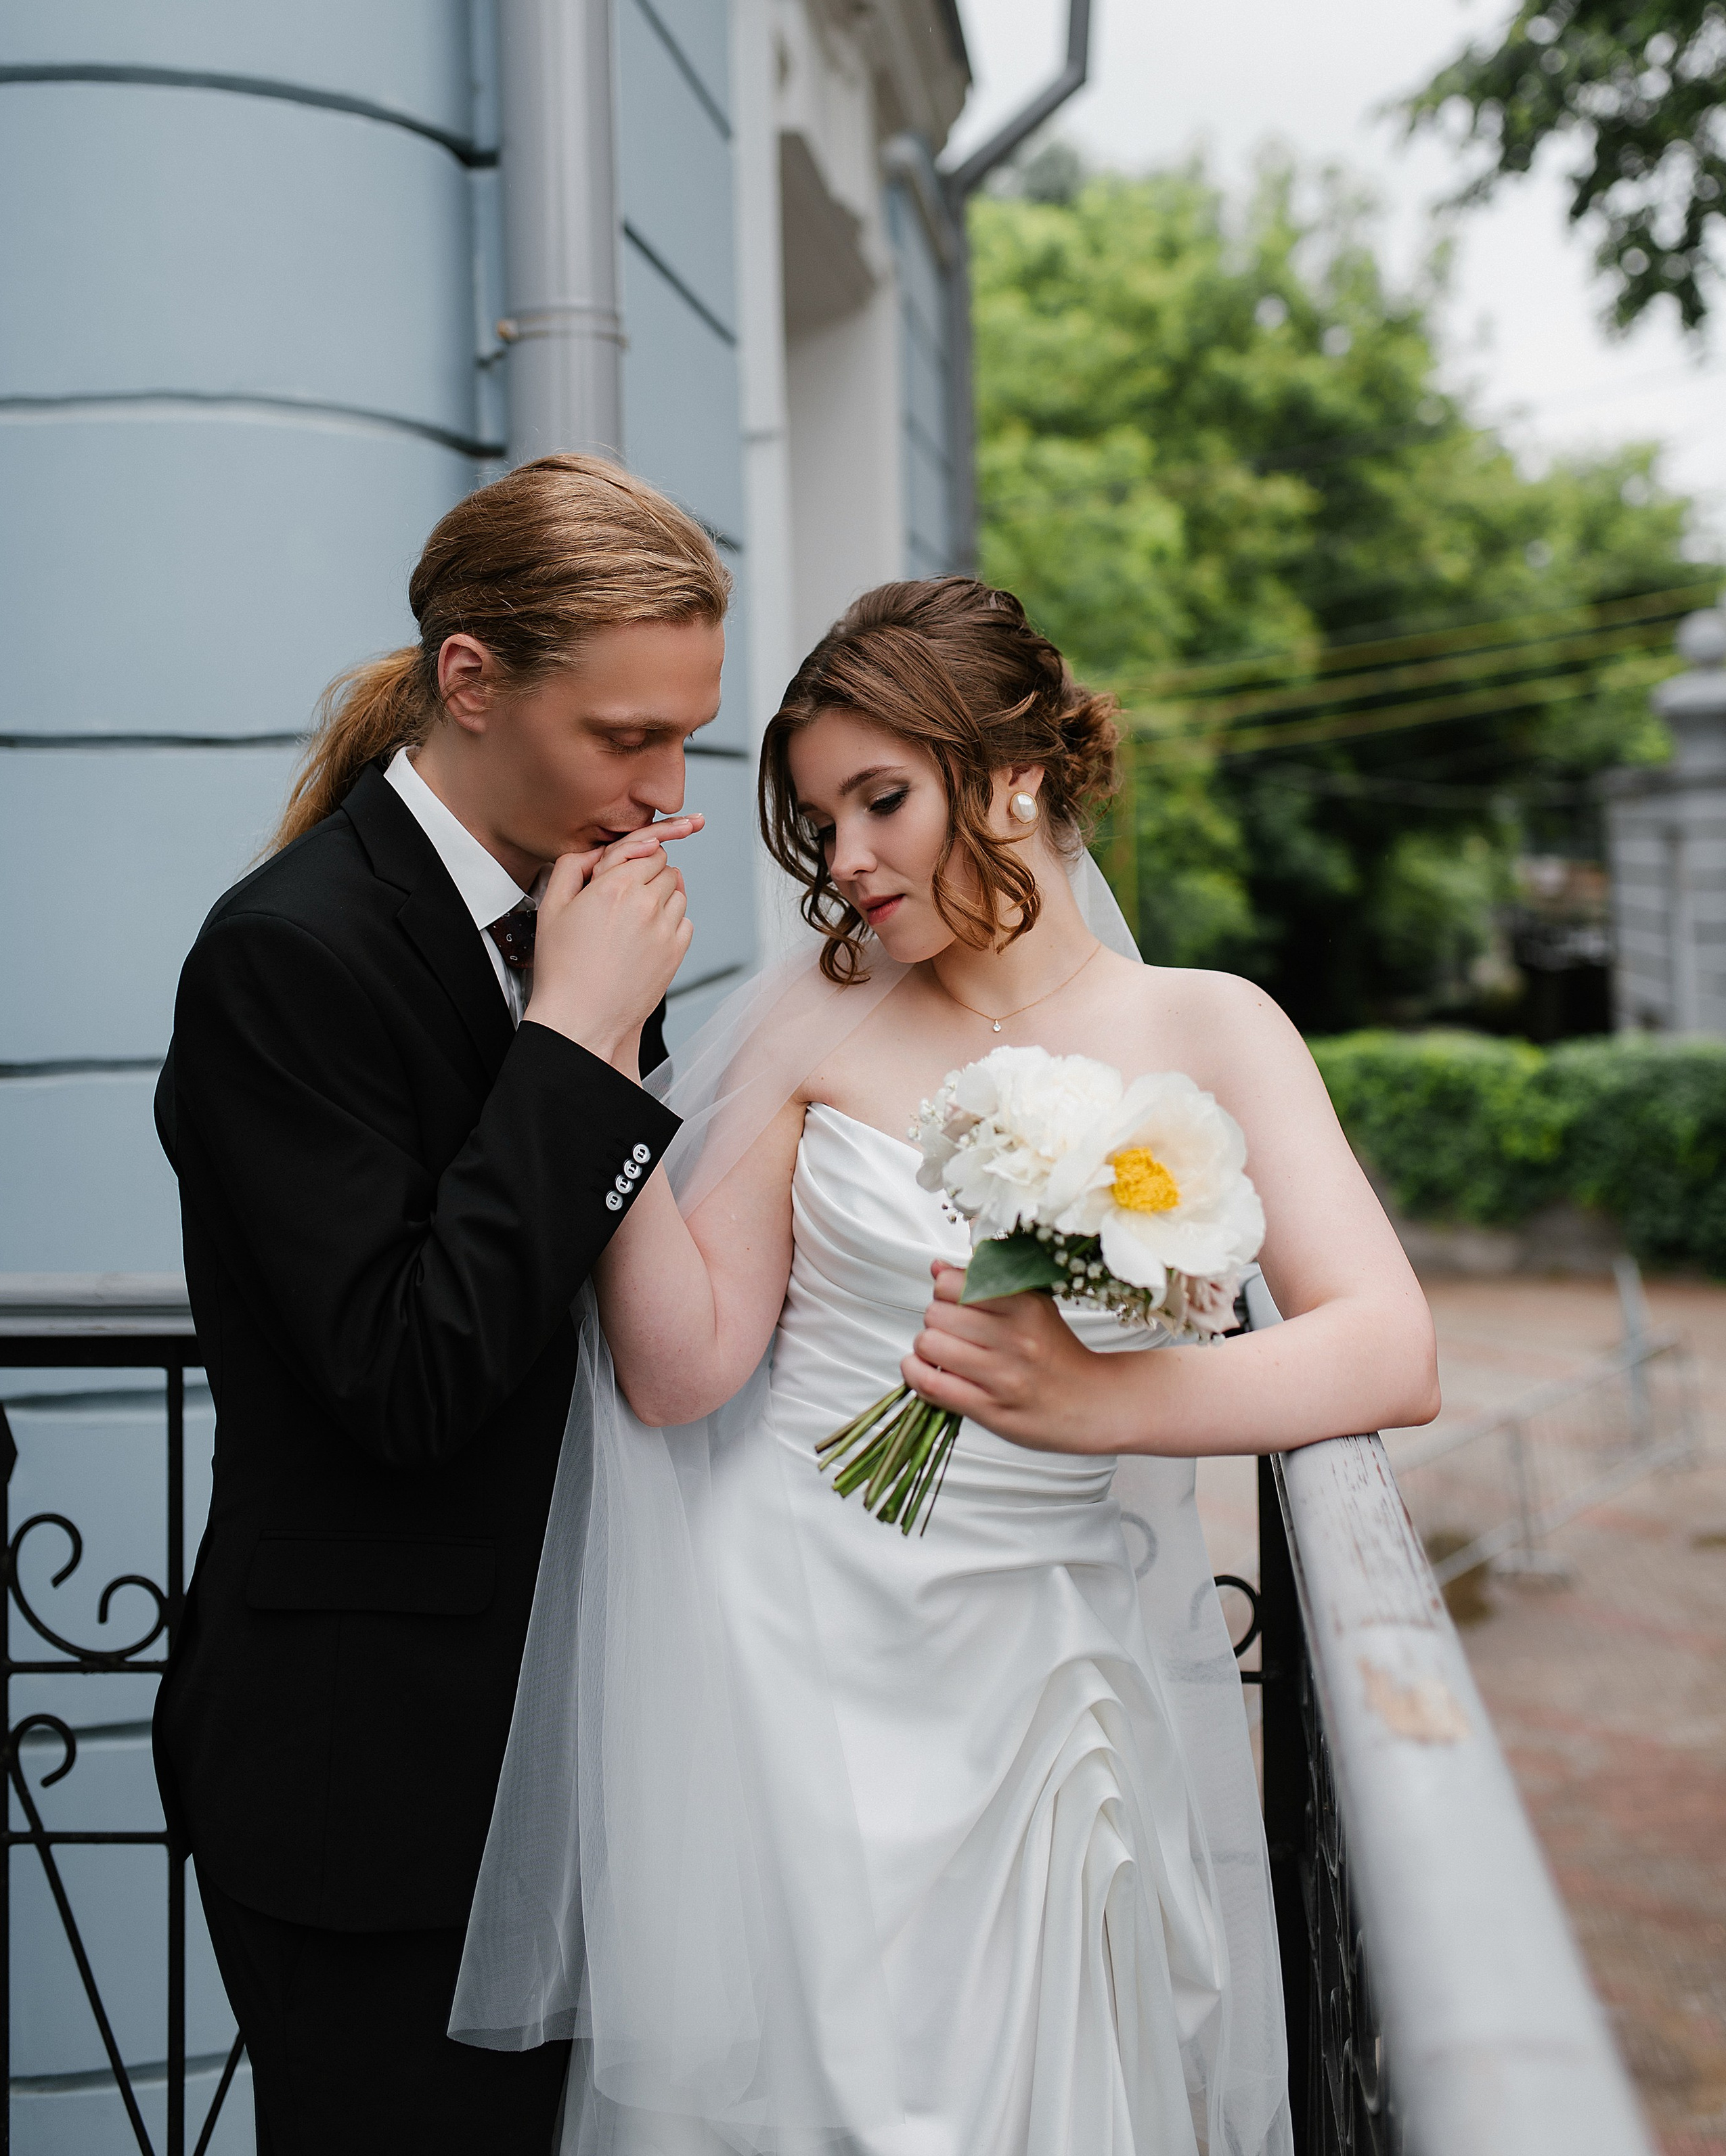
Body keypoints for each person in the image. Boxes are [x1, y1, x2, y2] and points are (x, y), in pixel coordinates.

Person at [453, 576, 1440, 2156]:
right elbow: (680, 1369)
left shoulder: (1210, 1027)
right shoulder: (816, 1024)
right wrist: (605, 1057)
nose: (843, 861)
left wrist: (1104, 1403)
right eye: (819, 820)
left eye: (880, 800)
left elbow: (1389, 1348)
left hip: (1054, 1657)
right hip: (786, 1655)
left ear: (1015, 776)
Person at [153, 452, 730, 2153]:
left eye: (684, 733)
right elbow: (406, 1378)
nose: (660, 787)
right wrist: (575, 1040)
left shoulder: (560, 912)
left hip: (559, 1749)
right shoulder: (288, 955)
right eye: (622, 736)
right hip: (373, 1790)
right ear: (468, 679)